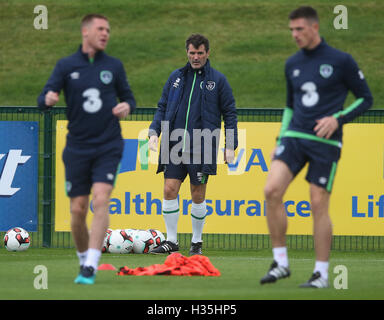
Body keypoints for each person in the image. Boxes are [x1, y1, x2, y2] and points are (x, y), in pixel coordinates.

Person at [260, 6, 373, 288]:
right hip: (294, 137)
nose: (295, 35)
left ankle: (321, 273)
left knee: (317, 202)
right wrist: (279, 139)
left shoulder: (341, 60)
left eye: (299, 29)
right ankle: (281, 263)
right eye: (291, 30)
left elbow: (366, 98)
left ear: (314, 27)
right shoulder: (292, 64)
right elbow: (289, 106)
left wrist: (338, 119)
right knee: (271, 190)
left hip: (325, 142)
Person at [37, 14, 136, 284]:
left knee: (101, 199)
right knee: (78, 210)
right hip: (77, 147)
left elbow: (128, 97)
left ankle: (92, 263)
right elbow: (43, 98)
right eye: (101, 29)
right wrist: (47, 98)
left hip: (108, 145)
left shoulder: (114, 66)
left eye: (108, 29)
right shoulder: (66, 65)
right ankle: (83, 261)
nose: (105, 34)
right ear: (86, 32)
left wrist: (127, 106)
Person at [148, 34, 238, 256]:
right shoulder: (176, 78)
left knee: (197, 194)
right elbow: (162, 106)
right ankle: (171, 241)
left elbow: (230, 113)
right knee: (169, 190)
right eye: (192, 53)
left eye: (200, 53)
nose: (195, 57)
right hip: (174, 143)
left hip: (202, 145)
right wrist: (154, 132)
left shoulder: (218, 80)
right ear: (186, 52)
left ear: (208, 53)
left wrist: (230, 145)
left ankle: (196, 242)